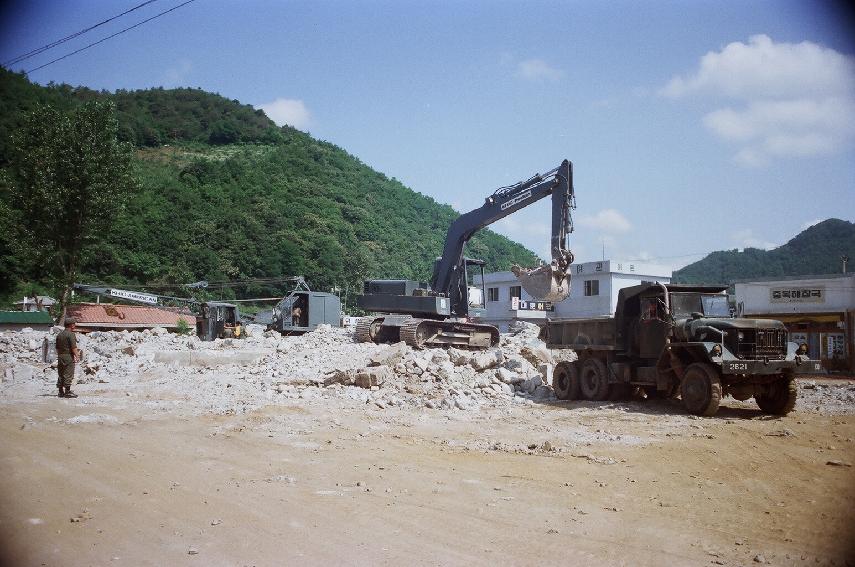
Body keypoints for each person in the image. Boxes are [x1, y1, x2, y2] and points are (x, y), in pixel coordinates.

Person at [55, 317, 81, 398]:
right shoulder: (71, 334)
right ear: (71, 325)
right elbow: (73, 347)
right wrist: (77, 356)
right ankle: (68, 391)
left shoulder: (59, 335)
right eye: (74, 324)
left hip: (60, 356)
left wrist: (60, 355)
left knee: (61, 373)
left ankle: (60, 391)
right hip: (68, 356)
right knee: (68, 373)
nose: (75, 325)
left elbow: (57, 348)